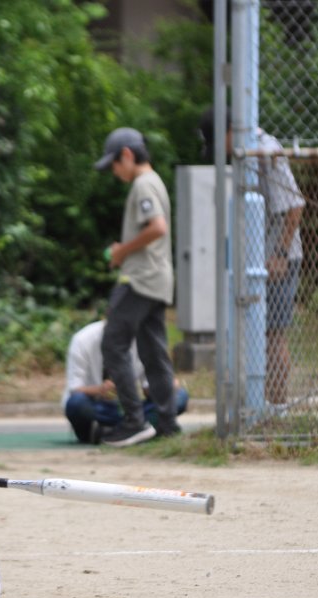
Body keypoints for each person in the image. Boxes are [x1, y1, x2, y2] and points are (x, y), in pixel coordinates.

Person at [199, 107, 306, 413]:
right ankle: (262, 403)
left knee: (273, 335)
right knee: (259, 334)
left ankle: (277, 407)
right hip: (259, 258)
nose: (223, 152)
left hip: (278, 258)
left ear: (229, 131)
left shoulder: (265, 151)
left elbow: (295, 205)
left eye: (219, 142)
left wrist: (280, 254)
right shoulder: (248, 152)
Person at [93, 128, 181, 447]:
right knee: (153, 352)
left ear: (127, 155)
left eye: (115, 164)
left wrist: (122, 251)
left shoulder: (143, 184)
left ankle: (134, 421)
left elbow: (157, 227)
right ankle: (167, 423)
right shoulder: (154, 181)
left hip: (140, 278)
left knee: (113, 343)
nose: (115, 172)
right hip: (158, 278)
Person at [62, 319, 190, 444]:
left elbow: (147, 388)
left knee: (179, 396)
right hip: (99, 407)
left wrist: (164, 385)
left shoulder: (142, 340)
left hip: (133, 410)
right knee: (76, 403)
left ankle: (116, 431)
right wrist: (100, 390)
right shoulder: (83, 339)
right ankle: (140, 428)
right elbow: (74, 388)